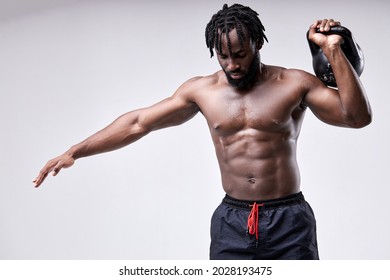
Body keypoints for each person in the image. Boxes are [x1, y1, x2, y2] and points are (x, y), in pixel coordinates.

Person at [33, 4, 372, 259]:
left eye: (239, 55)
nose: (232, 65)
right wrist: (75, 151)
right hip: (232, 221)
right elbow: (139, 122)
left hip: (288, 219)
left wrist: (333, 51)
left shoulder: (293, 83)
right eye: (223, 57)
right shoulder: (203, 91)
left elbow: (356, 117)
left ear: (257, 43)